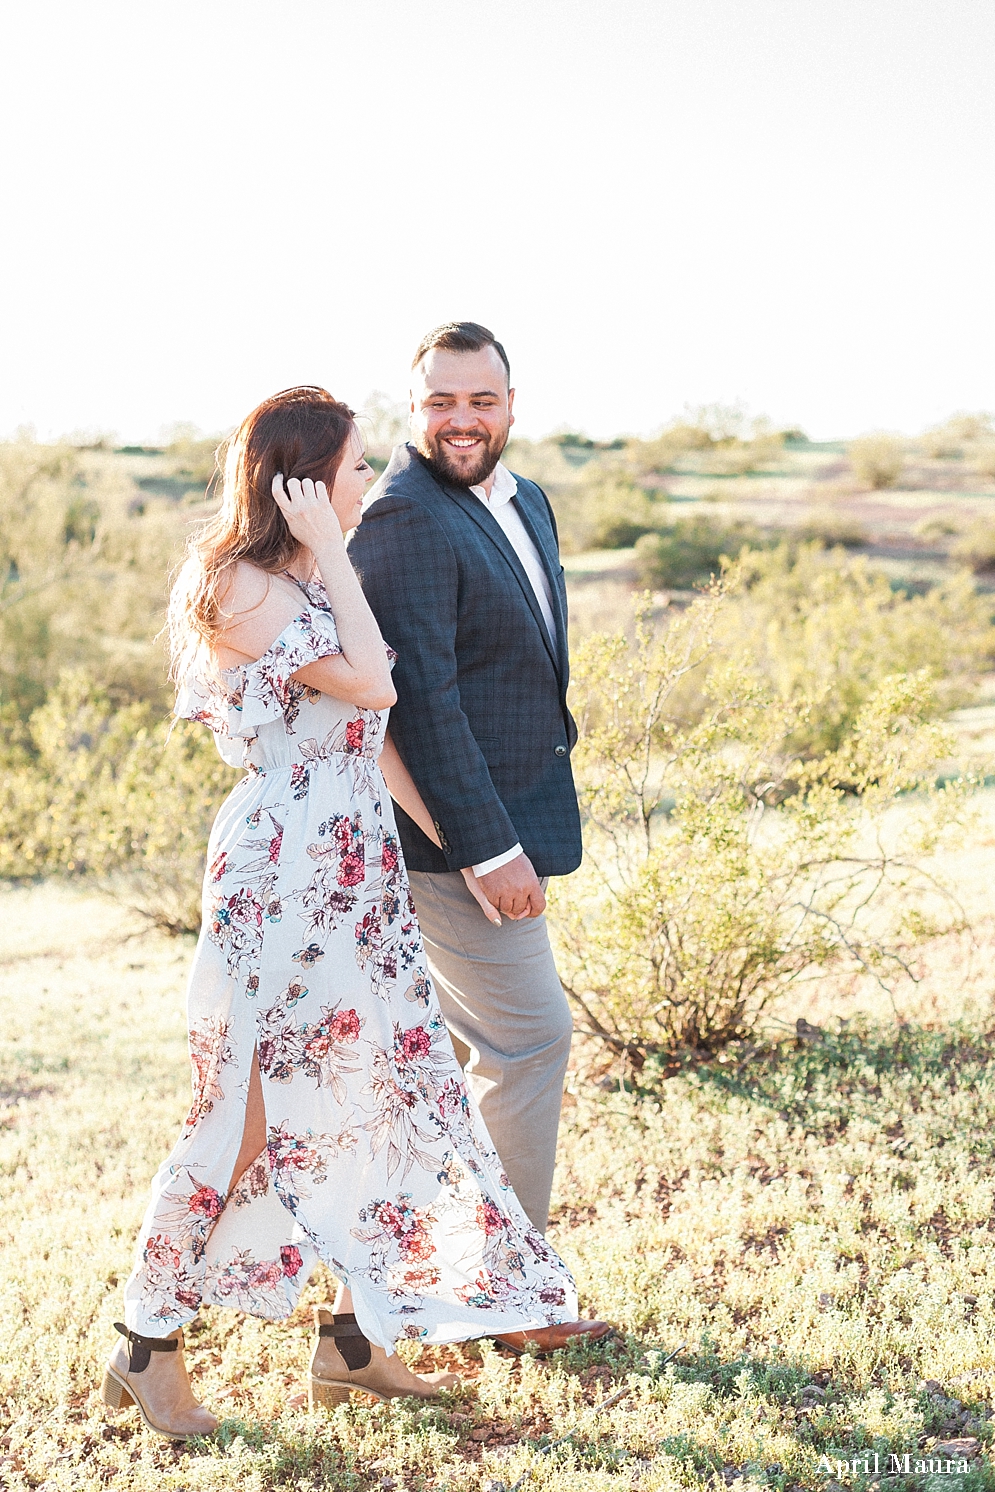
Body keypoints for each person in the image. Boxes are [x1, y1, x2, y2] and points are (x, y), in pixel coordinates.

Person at [101, 387, 595, 1443]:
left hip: (354, 870)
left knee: (371, 1094)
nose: (368, 482)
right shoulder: (235, 583)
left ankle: (351, 1345)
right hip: (280, 873)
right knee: (242, 1117)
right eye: (353, 468)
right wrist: (331, 548)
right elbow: (375, 685)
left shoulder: (302, 579)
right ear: (299, 483)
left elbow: (371, 740)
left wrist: (465, 852)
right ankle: (145, 1343)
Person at [348, 324, 596, 1291]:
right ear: (413, 411)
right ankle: (505, 1286)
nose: (461, 420)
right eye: (441, 402)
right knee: (529, 1039)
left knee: (432, 1061)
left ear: (509, 405)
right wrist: (486, 847)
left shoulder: (525, 500)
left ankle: (383, 1291)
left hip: (513, 813)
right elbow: (419, 701)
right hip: (446, 843)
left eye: (479, 401)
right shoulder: (402, 515)